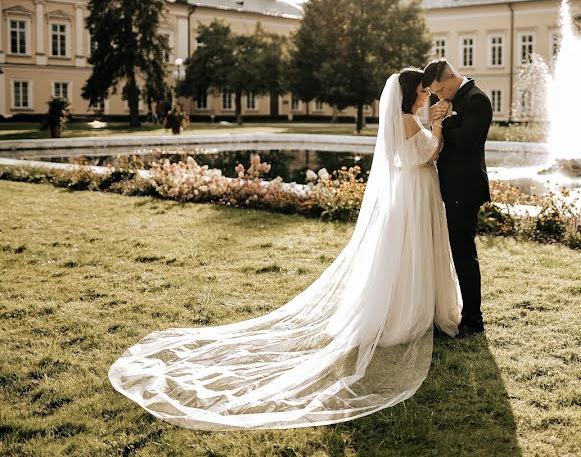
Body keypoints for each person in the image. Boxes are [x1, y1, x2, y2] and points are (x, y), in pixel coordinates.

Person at [108, 68, 462, 430]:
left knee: (406, 254)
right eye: (421, 91)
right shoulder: (406, 120)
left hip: (412, 194)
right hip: (413, 195)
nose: (424, 97)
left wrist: (432, 123)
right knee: (408, 253)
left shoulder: (406, 119)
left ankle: (410, 304)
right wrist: (438, 127)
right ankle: (405, 311)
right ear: (407, 95)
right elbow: (426, 155)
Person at [422, 58, 493, 337]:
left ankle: (473, 321)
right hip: (449, 187)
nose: (439, 96)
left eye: (440, 90)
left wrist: (445, 120)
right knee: (455, 251)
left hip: (465, 188)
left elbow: (468, 142)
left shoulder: (478, 100)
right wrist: (437, 119)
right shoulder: (444, 101)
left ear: (451, 76)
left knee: (464, 254)